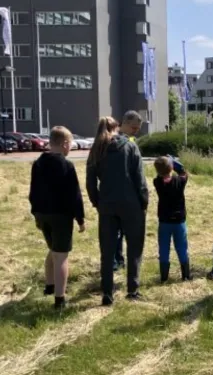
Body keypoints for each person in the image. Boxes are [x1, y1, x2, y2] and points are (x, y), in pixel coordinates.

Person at [86, 116, 149, 306]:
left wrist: (97, 202)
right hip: (131, 205)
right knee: (134, 247)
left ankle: (107, 292)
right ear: (117, 128)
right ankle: (133, 289)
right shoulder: (130, 147)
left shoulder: (96, 149)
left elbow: (90, 182)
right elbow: (140, 178)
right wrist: (144, 201)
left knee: (107, 250)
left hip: (107, 205)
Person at [29, 126, 86, 310]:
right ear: (65, 144)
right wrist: (80, 218)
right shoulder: (66, 165)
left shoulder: (38, 163)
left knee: (53, 249)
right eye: (70, 144)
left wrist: (36, 214)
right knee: (61, 256)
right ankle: (60, 299)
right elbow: (74, 194)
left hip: (42, 214)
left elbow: (33, 192)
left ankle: (49, 285)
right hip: (61, 215)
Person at [113, 111, 145, 272]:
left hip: (122, 195)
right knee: (116, 232)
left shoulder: (130, 140)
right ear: (124, 123)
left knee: (120, 232)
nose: (135, 131)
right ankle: (116, 261)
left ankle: (118, 260)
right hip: (121, 196)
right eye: (133, 127)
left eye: (138, 129)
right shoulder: (112, 141)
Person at [153, 156, 191, 282]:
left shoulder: (157, 182)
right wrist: (175, 163)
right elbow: (184, 173)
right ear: (171, 168)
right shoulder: (179, 181)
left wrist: (167, 164)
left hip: (164, 220)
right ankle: (186, 275)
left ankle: (164, 277)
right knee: (182, 247)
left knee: (164, 247)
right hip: (179, 220)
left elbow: (161, 175)